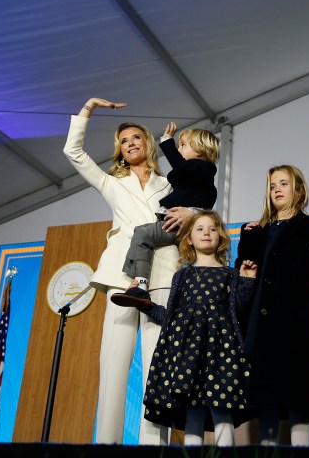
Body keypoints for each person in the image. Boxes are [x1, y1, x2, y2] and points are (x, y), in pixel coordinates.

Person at [63, 97, 193, 445]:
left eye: (136, 137)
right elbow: (74, 152)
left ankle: (153, 445)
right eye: (124, 140)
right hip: (123, 276)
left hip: (163, 274)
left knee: (157, 363)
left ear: (147, 144)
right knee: (114, 363)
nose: (131, 143)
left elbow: (195, 207)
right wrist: (88, 109)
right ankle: (106, 443)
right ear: (119, 150)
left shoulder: (168, 185)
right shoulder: (111, 182)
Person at [124, 210, 257, 447]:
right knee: (192, 411)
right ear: (188, 239)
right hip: (188, 354)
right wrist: (146, 306)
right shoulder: (181, 276)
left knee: (222, 408)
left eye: (212, 229)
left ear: (222, 238)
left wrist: (247, 281)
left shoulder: (230, 274)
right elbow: (171, 317)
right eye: (199, 229)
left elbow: (238, 310)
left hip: (221, 353)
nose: (206, 233)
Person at [235, 165, 309, 446]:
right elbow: (243, 275)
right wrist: (247, 242)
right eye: (272, 186)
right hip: (260, 327)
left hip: (294, 324)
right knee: (265, 399)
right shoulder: (257, 231)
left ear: (298, 189)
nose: (277, 190)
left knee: (298, 397)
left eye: (283, 184)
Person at [111, 122, 220, 309]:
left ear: (200, 150)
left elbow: (181, 168)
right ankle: (140, 282)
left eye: (183, 145)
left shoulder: (204, 169)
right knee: (144, 235)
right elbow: (178, 174)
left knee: (143, 234)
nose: (179, 149)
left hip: (180, 227)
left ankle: (139, 282)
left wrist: (167, 141)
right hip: (174, 225)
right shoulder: (191, 177)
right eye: (178, 145)